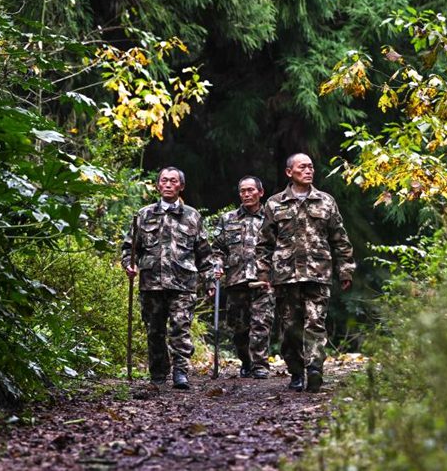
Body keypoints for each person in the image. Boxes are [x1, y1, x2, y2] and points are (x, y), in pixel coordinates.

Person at [255, 153, 355, 392]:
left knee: (315, 323)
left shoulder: (326, 201)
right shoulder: (274, 203)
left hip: (317, 273)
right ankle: (297, 371)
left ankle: (314, 369)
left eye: (311, 167)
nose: (309, 170)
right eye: (303, 167)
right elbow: (264, 244)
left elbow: (340, 239)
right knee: (289, 328)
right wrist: (262, 274)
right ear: (289, 172)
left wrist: (346, 270)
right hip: (285, 275)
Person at [121, 167, 213, 389]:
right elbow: (129, 248)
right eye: (164, 180)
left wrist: (210, 281)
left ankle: (180, 371)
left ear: (181, 186)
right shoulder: (143, 215)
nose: (169, 184)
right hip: (151, 283)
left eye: (174, 181)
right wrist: (129, 265)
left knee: (180, 327)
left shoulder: (192, 216)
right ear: (158, 185)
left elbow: (204, 253)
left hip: (183, 284)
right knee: (154, 330)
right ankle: (158, 372)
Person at [209, 176, 274, 379]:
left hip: (263, 280)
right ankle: (246, 360)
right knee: (239, 328)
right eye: (243, 191)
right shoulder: (228, 219)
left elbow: (281, 248)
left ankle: (260, 365)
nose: (246, 194)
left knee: (261, 324)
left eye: (250, 190)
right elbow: (217, 249)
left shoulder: (272, 218)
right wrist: (217, 266)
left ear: (260, 192)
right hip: (236, 281)